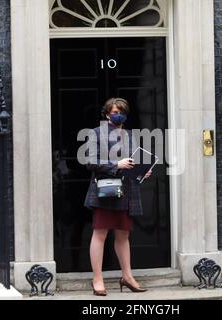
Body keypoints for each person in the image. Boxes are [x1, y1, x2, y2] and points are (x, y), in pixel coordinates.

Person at [84, 97, 152, 296]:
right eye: (114, 112)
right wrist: (116, 165)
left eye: (121, 111)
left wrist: (142, 171)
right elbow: (90, 162)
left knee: (123, 235)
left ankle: (127, 277)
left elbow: (134, 161)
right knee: (100, 233)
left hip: (128, 190)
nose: (118, 114)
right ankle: (97, 279)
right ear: (107, 114)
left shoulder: (131, 135)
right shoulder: (96, 133)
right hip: (106, 190)